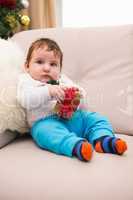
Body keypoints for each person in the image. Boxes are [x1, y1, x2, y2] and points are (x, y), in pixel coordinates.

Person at [17, 38, 127, 162]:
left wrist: (75, 98)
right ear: (27, 66)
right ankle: (76, 146)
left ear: (59, 69)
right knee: (44, 133)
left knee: (95, 118)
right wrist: (49, 91)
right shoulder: (27, 81)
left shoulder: (63, 80)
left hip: (73, 118)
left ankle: (103, 140)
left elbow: (80, 93)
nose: (47, 68)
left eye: (53, 64)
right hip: (46, 122)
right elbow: (25, 100)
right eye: (40, 62)